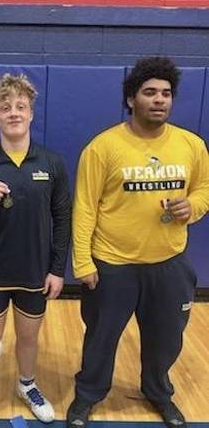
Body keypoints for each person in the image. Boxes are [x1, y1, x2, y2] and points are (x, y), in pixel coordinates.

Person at [67, 57, 209, 428]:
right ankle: (87, 397)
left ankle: (158, 393)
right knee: (101, 340)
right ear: (131, 99)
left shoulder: (192, 145)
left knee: (166, 341)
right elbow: (84, 208)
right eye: (150, 93)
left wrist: (191, 206)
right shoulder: (102, 147)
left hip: (169, 263)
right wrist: (83, 262)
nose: (159, 100)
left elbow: (205, 190)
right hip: (113, 264)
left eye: (165, 93)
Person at [0, 73, 71, 428]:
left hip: (35, 272)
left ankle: (27, 385)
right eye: (5, 107)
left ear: (31, 113)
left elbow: (62, 217)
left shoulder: (51, 162)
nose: (13, 113)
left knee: (28, 338)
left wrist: (57, 269)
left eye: (20, 106)